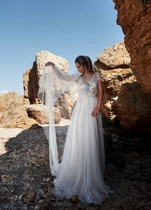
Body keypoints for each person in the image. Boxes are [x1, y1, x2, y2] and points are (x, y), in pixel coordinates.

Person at [39, 55, 112, 205]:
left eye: (79, 66)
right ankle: (77, 172)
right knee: (79, 138)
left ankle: (90, 175)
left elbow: (100, 92)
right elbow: (64, 76)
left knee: (90, 139)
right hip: (80, 110)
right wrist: (53, 66)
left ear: (86, 65)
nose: (77, 69)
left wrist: (98, 107)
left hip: (92, 107)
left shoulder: (96, 75)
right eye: (76, 67)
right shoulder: (78, 77)